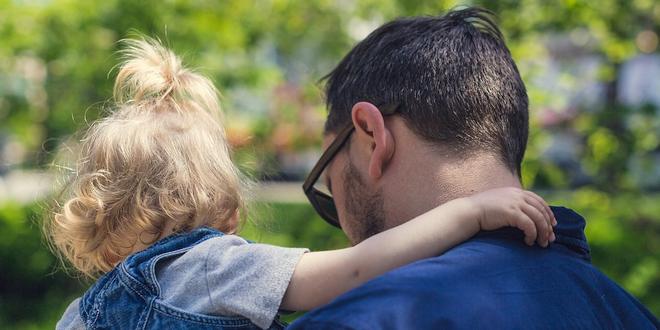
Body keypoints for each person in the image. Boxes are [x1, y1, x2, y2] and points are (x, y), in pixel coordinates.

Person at [50, 38, 556, 330]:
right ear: (223, 205)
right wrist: (469, 213)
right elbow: (355, 270)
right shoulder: (219, 267)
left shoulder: (81, 315)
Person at [290, 7, 659, 330]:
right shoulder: (628, 313)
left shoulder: (360, 320)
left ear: (372, 135)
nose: (343, 227)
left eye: (329, 187)